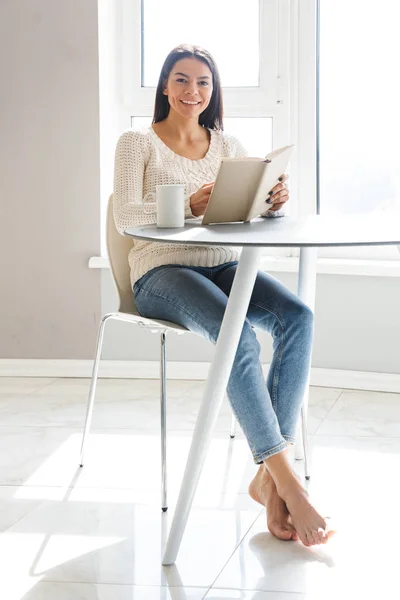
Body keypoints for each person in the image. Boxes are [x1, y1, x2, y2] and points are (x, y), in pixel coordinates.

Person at [113, 44, 335, 547]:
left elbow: (246, 212)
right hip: (160, 273)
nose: (193, 91)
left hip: (223, 267)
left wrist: (274, 201)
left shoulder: (227, 143)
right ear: (165, 87)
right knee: (239, 339)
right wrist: (188, 206)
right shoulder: (136, 143)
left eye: (203, 83)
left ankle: (266, 478)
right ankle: (288, 483)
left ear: (214, 91)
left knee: (297, 316)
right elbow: (127, 218)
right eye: (182, 80)